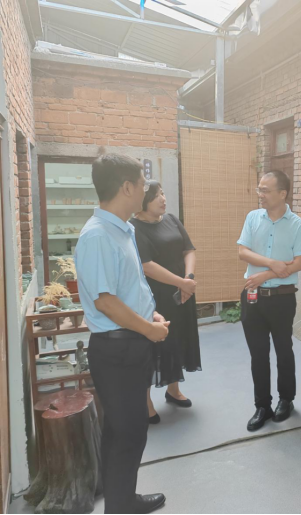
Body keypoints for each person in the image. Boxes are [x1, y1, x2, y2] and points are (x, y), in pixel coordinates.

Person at [74, 154, 169, 515]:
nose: (146, 191)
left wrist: (149, 313)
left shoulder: (121, 230)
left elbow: (126, 288)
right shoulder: (98, 236)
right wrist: (150, 329)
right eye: (143, 185)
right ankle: (120, 505)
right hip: (118, 350)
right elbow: (106, 302)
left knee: (123, 430)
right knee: (129, 432)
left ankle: (121, 500)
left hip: (129, 343)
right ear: (127, 187)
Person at [237, 171, 301, 432]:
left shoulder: (298, 226)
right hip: (252, 297)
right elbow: (242, 251)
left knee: (283, 350)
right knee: (258, 354)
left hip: (282, 298)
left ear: (283, 193)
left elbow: (299, 263)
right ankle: (262, 406)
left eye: (266, 190)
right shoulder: (252, 218)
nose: (261, 195)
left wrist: (267, 275)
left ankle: (286, 400)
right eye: (259, 189)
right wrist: (272, 263)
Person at [130, 181, 201, 424]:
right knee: (154, 345)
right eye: (156, 196)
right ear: (143, 201)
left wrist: (188, 279)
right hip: (157, 296)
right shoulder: (134, 227)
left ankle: (173, 389)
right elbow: (146, 266)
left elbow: (189, 250)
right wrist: (181, 283)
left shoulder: (171, 219)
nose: (163, 199)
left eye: (162, 193)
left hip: (183, 292)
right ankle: (146, 401)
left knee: (178, 339)